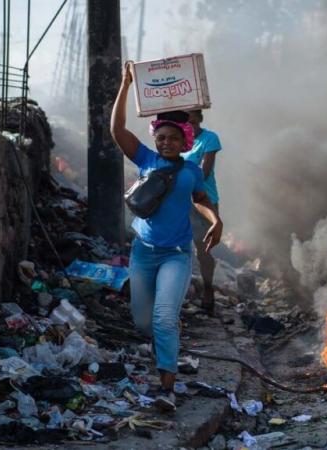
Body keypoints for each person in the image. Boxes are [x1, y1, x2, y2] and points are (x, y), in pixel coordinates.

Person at [110, 61, 223, 411]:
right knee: (143, 321)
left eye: (174, 138)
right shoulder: (145, 159)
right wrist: (126, 84)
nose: (167, 142)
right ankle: (164, 347)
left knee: (163, 317)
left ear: (184, 140)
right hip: (143, 252)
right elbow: (117, 129)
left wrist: (215, 221)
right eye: (161, 137)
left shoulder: (190, 171)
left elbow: (201, 200)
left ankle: (167, 388)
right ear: (155, 139)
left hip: (176, 254)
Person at [183, 109, 223, 314]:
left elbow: (204, 172)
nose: (189, 126)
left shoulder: (209, 139)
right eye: (185, 122)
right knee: (177, 247)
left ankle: (208, 289)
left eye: (193, 122)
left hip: (203, 200)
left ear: (199, 119)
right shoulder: (175, 138)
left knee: (202, 249)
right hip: (179, 200)